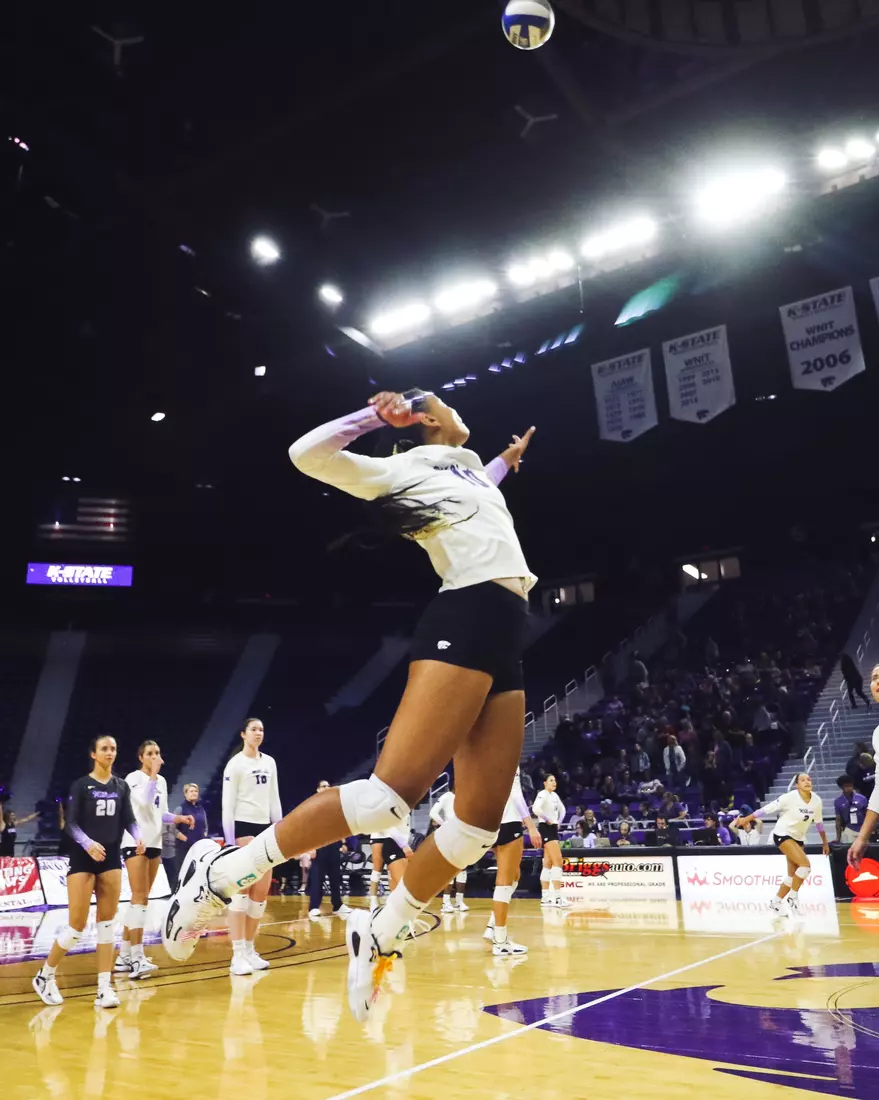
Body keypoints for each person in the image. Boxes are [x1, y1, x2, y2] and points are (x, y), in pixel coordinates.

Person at [163, 389, 537, 1023]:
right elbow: (305, 455)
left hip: (507, 629)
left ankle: (383, 933)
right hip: (469, 614)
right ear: (427, 421)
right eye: (442, 404)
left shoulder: (469, 470)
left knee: (476, 830)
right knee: (387, 800)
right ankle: (223, 874)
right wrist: (373, 419)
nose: (455, 409)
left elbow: (484, 493)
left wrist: (508, 459)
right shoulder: (404, 469)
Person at [33, 735, 143, 1008]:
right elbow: (70, 824)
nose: (110, 752)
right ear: (93, 754)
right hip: (83, 859)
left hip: (111, 858)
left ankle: (104, 988)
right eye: (104, 748)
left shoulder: (121, 786)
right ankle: (45, 975)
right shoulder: (81, 785)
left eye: (113, 748)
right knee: (76, 926)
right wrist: (88, 844)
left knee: (107, 925)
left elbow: (129, 819)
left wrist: (138, 836)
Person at [117, 740, 193, 979]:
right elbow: (144, 802)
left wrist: (178, 819)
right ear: (141, 757)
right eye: (149, 753)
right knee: (139, 898)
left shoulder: (161, 781)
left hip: (154, 843)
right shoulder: (134, 778)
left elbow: (160, 812)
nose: (154, 757)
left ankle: (124, 955)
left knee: (141, 900)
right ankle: (137, 958)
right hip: (135, 842)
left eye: (157, 753)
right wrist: (153, 775)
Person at [222, 718, 283, 973]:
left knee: (260, 894)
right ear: (243, 734)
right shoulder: (235, 764)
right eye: (254, 729)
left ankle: (249, 949)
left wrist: (280, 834)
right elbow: (227, 806)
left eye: (261, 729)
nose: (258, 733)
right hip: (243, 827)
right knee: (242, 891)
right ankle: (237, 955)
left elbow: (274, 800)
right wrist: (229, 842)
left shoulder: (269, 762)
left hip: (265, 829)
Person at [732, 774, 829, 917]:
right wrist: (747, 818)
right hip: (783, 834)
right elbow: (766, 809)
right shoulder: (789, 797)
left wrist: (825, 842)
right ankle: (793, 898)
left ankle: (776, 902)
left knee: (792, 876)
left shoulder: (817, 801)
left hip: (799, 837)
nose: (807, 782)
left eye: (809, 779)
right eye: (802, 780)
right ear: (797, 785)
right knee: (805, 866)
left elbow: (819, 824)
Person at [484, 767, 541, 954]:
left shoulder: (483, 757)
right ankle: (500, 941)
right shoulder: (508, 757)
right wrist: (531, 826)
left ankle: (492, 926)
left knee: (514, 875)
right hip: (508, 821)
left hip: (489, 823)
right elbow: (515, 794)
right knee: (505, 880)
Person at [308, 779, 353, 919]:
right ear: (318, 789)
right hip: (319, 846)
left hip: (333, 845)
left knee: (335, 877)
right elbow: (310, 829)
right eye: (323, 786)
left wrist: (344, 843)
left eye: (328, 786)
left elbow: (340, 825)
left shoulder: (335, 806)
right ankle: (314, 907)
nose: (327, 788)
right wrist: (311, 847)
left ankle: (337, 905)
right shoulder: (313, 805)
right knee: (317, 878)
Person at [428, 785, 469, 912]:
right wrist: (445, 824)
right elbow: (433, 813)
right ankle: (446, 903)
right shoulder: (446, 796)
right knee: (449, 868)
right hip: (450, 835)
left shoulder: (464, 798)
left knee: (462, 869)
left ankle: (459, 901)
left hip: (462, 835)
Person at [532, 775, 568, 907]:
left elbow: (563, 809)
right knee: (558, 861)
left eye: (555, 780)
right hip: (545, 827)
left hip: (553, 828)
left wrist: (559, 822)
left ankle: (545, 898)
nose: (554, 782)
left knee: (547, 863)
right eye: (551, 780)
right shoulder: (542, 794)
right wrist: (547, 819)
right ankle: (558, 897)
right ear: (545, 783)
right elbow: (535, 809)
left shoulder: (554, 795)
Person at [368, 813, 413, 913]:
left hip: (396, 839)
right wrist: (404, 845)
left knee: (392, 871)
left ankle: (392, 900)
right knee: (377, 870)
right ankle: (373, 901)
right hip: (379, 835)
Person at [174, 782, 208, 877]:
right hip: (184, 849)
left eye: (196, 791)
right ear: (185, 794)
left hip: (199, 849)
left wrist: (203, 838)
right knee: (183, 875)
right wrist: (186, 840)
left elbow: (205, 826)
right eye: (191, 791)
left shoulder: (201, 809)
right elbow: (172, 829)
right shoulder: (180, 809)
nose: (194, 793)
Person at [834, 775, 868, 844]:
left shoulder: (862, 798)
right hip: (849, 829)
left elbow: (868, 815)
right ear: (841, 787)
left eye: (850, 786)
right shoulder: (838, 801)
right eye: (846, 786)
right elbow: (838, 820)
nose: (849, 788)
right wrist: (838, 838)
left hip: (863, 829)